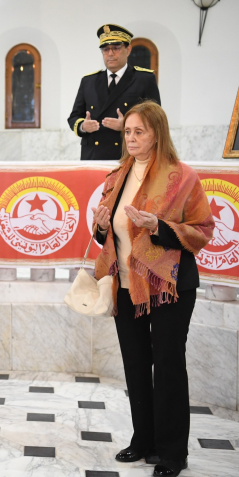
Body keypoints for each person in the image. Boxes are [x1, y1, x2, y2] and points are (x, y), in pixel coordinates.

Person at [92, 101, 214, 477]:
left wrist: (157, 226)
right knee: (135, 364)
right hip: (126, 286)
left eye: (139, 132)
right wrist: (100, 226)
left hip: (169, 287)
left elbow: (203, 230)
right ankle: (143, 440)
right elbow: (106, 235)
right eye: (127, 132)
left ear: (156, 134)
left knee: (168, 365)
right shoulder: (118, 176)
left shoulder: (182, 177)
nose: (130, 138)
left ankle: (173, 453)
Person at [68, 24, 161, 160]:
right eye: (105, 49)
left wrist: (126, 127)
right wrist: (83, 126)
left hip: (128, 155)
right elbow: (74, 117)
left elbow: (156, 119)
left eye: (116, 48)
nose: (110, 53)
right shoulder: (88, 81)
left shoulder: (144, 79)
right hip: (93, 156)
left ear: (128, 50)